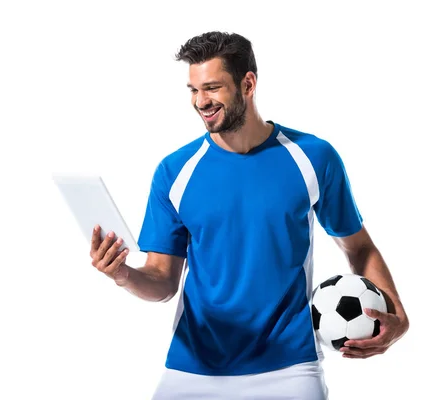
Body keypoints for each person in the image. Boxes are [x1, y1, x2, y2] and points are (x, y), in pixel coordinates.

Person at [88, 31, 409, 399]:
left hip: (290, 368)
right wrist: (123, 273)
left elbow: (359, 248)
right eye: (193, 90)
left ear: (248, 83)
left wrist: (397, 313)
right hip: (194, 367)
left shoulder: (313, 158)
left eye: (212, 88)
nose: (200, 102)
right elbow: (163, 282)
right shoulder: (175, 171)